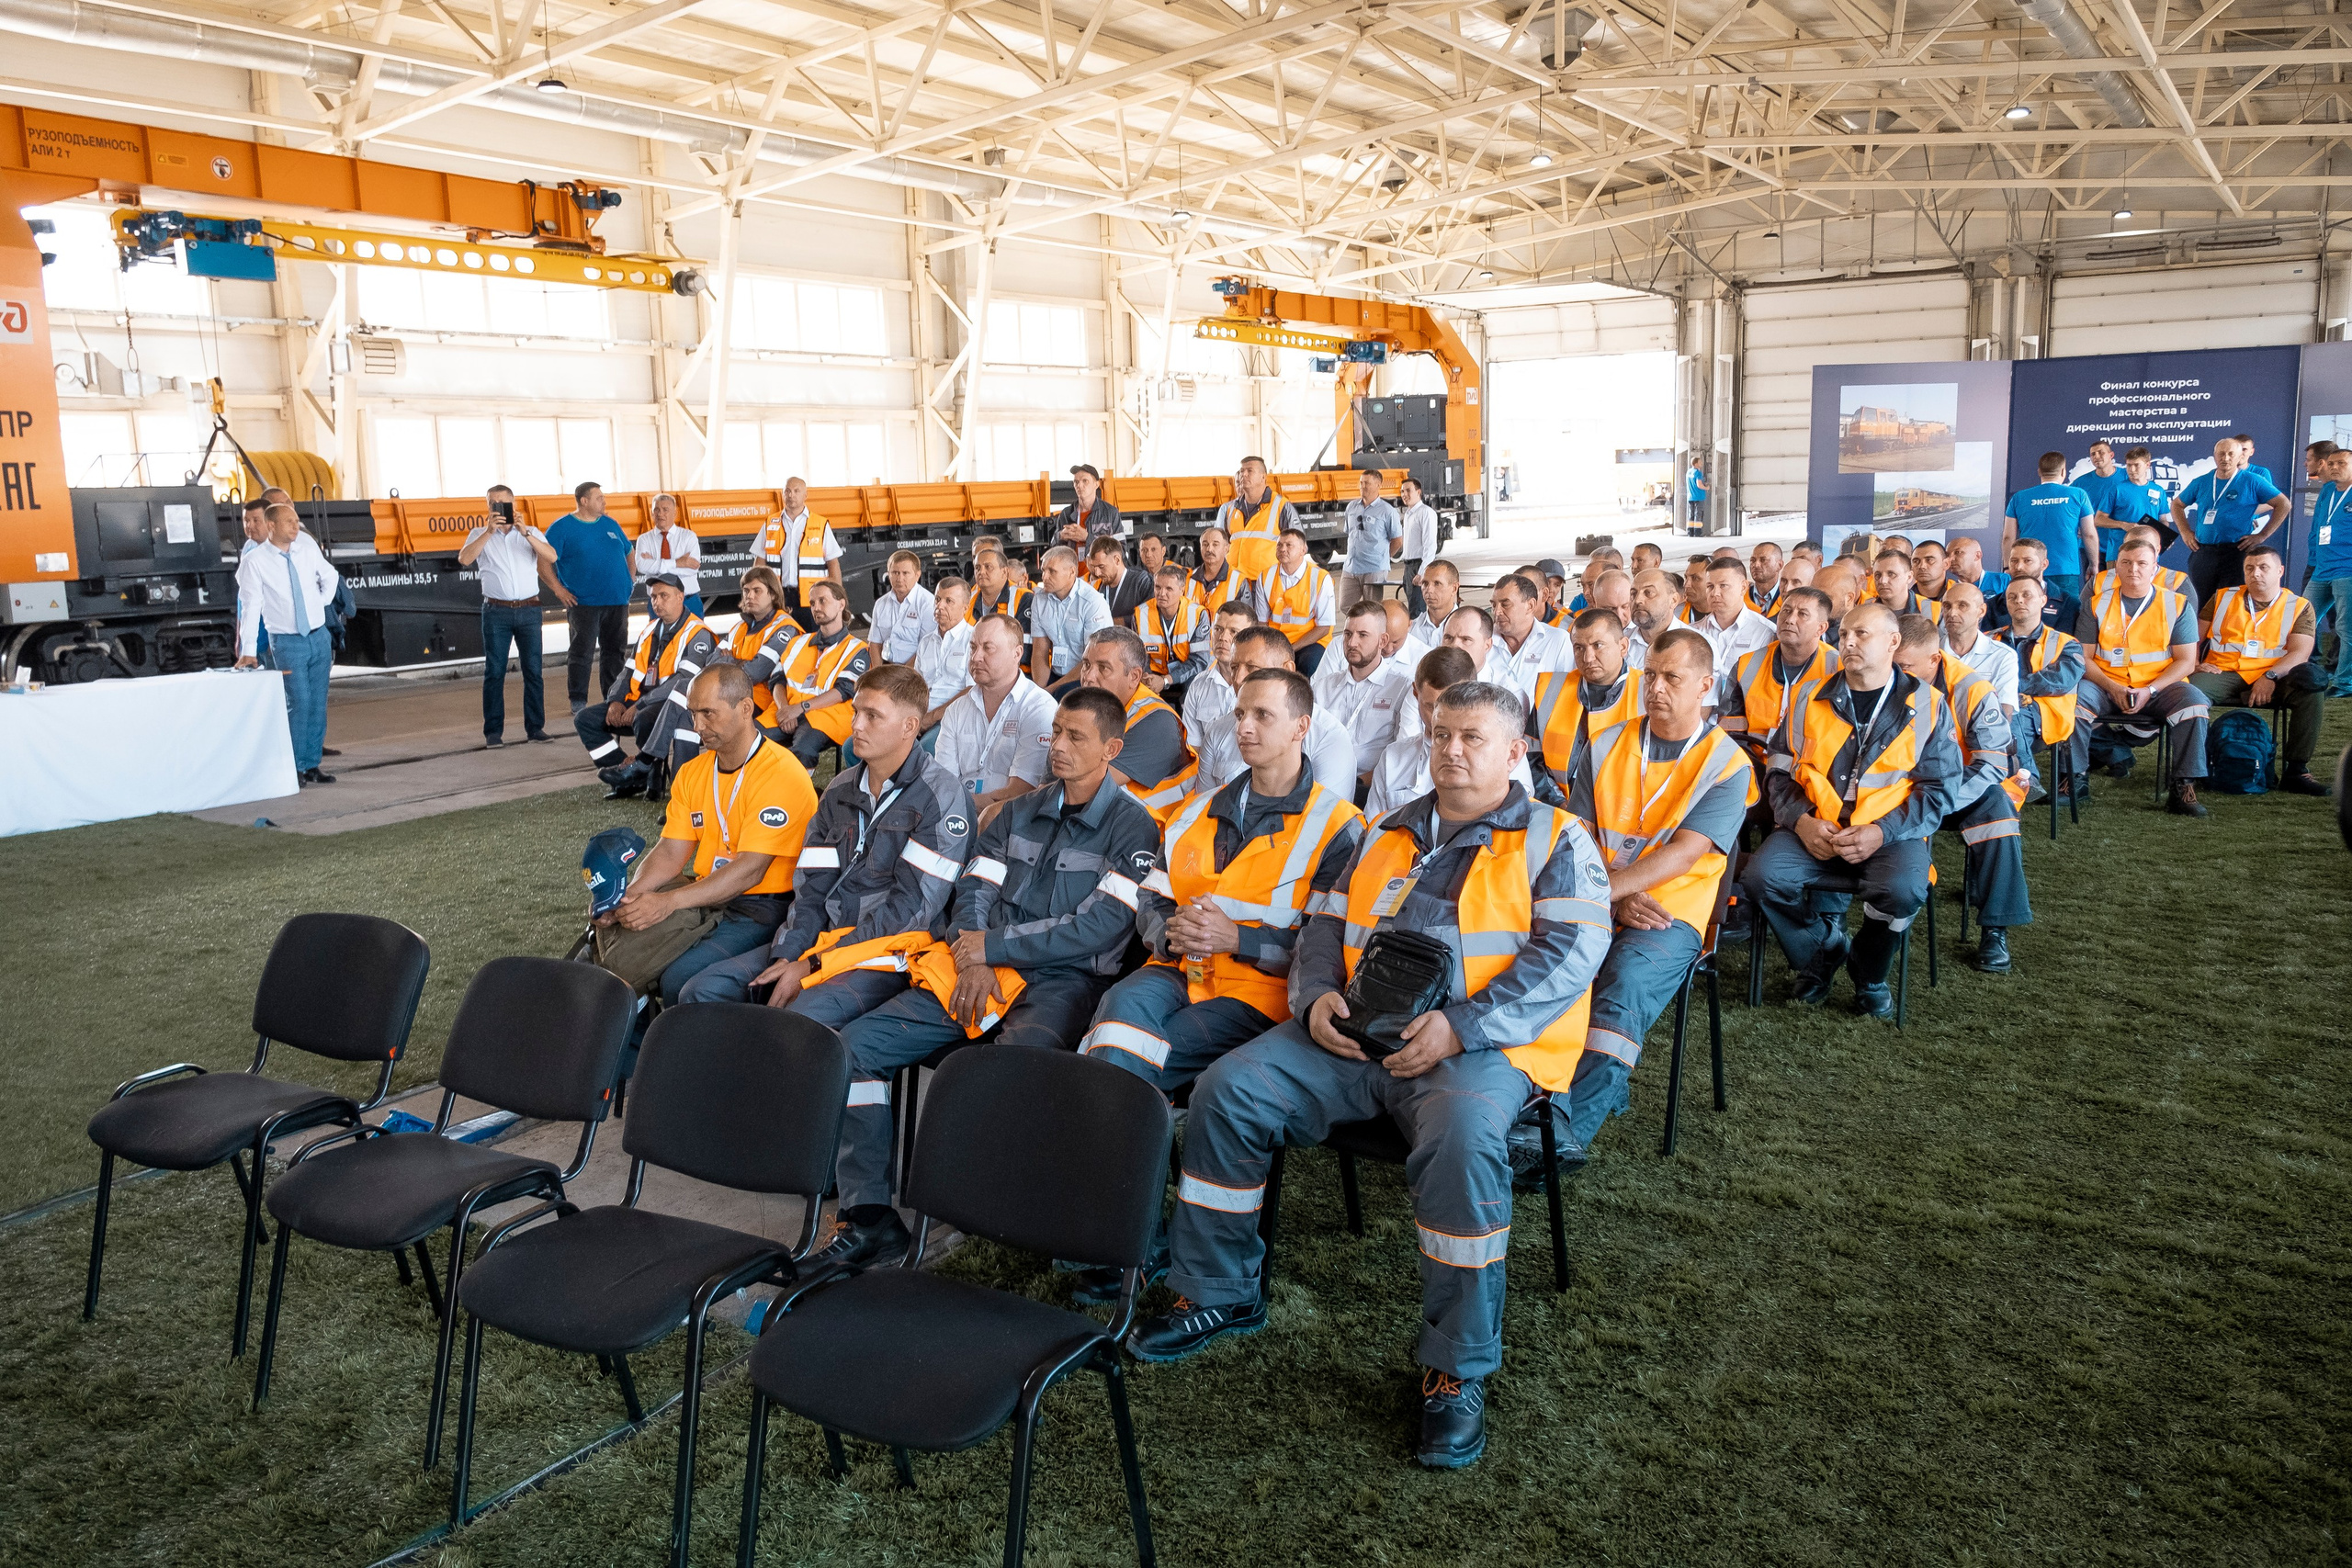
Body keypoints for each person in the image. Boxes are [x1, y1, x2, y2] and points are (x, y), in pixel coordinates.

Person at [1125, 681, 1612, 1472]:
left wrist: (1462, 1025)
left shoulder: (1557, 840)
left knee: (1462, 1144)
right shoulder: (1385, 829)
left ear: (1515, 751)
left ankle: (1455, 1369)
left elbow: (1569, 957)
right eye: (1441, 733)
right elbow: (1322, 926)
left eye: (1473, 737)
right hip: (1351, 1038)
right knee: (1228, 1089)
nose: (1451, 750)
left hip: (1477, 1052)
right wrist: (1315, 997)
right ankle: (1217, 1290)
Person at [811, 688, 1163, 1269]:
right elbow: (973, 889)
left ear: (1112, 749)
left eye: (1076, 737)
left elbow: (1099, 925)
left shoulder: (1134, 828)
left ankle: (1003, 1210)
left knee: (1010, 1073)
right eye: (1056, 732)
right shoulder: (1019, 811)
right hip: (976, 967)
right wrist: (976, 958)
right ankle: (869, 1216)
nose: (1059, 746)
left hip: (1062, 982)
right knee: (856, 1048)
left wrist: (994, 948)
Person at [1077, 669, 1365, 1221]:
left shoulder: (1340, 827)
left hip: (1261, 995)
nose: (1244, 727)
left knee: (1120, 1063)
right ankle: (1118, 1227)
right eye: (1240, 714)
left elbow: (1329, 946)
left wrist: (1239, 938)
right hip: (1177, 968)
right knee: (1114, 1032)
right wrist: (1170, 932)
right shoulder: (1196, 809)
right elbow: (1152, 897)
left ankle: (1109, 1229)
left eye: (1262, 715)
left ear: (1301, 727)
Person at [1563, 626, 1754, 1149]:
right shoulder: (1606, 742)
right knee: (1545, 965)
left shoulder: (1727, 764)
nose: (1656, 687)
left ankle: (1564, 1136)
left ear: (1706, 686)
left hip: (1671, 914)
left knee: (1622, 986)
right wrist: (1614, 897)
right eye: (1649, 675)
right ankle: (1539, 1098)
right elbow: (1578, 835)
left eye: (1672, 677)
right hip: (1604, 895)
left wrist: (1608, 895)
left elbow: (1685, 852)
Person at [680, 664, 968, 1010]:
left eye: (872, 716)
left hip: (889, 951)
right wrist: (789, 954)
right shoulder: (839, 789)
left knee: (799, 1015)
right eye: (856, 712)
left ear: (909, 726)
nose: (856, 725)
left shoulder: (941, 796)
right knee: (702, 991)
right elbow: (812, 888)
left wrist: (817, 963)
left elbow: (909, 911)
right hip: (821, 940)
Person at [1741, 601, 1961, 1019]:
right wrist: (1802, 822)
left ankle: (1869, 973)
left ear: (1893, 642)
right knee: (1761, 877)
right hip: (1815, 827)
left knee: (1902, 890)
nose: (1848, 642)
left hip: (1889, 834)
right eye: (1843, 635)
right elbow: (1778, 773)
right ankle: (1823, 950)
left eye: (1862, 634)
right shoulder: (1808, 697)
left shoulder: (1929, 705)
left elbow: (1939, 790)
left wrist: (1882, 831)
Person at [605, 662, 819, 1009]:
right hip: (708, 896)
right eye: (693, 713)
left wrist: (670, 901)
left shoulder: (781, 773)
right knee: (618, 950)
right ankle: (638, 1039)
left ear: (746, 708)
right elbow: (670, 851)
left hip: (764, 907)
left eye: (708, 713)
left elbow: (751, 870)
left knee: (677, 978)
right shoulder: (692, 772)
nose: (697, 726)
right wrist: (630, 897)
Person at [1892, 615, 2030, 974]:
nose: (1897, 673)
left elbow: (1992, 763)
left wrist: (1939, 800)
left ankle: (1995, 930)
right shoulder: (1878, 678)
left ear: (1934, 659)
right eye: (1893, 664)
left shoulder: (1972, 688)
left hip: (1955, 791)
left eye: (1905, 667)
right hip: (1890, 791)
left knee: (1998, 809)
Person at [2074, 539, 2210, 817]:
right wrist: (2112, 687)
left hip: (2160, 686)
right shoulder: (2095, 605)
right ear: (2116, 567)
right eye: (2126, 562)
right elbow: (2083, 658)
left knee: (2195, 703)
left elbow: (2186, 662)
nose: (2133, 569)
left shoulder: (2177, 604)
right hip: (2105, 684)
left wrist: (2151, 690)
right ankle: (2074, 780)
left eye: (2141, 563)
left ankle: (2183, 786)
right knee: (2074, 699)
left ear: (2154, 568)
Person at [2191, 545, 2328, 795]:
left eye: (2264, 567)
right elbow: (2192, 638)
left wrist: (2270, 676)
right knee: (2188, 693)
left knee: (2311, 690)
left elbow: (2300, 652)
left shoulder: (2299, 605)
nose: (2256, 573)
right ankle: (2195, 767)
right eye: (2249, 568)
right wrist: (2193, 663)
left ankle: (2296, 771)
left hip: (2275, 674)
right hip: (2223, 671)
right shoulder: (2222, 597)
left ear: (2280, 571)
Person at [576, 573, 713, 798]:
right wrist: (615, 701)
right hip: (637, 699)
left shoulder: (698, 633)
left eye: (664, 596)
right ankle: (628, 776)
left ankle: (647, 771)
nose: (657, 602)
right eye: (654, 597)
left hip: (669, 703)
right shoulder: (649, 630)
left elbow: (683, 680)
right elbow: (628, 671)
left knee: (644, 718)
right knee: (585, 719)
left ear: (680, 597)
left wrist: (640, 705)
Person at [233, 503, 343, 784]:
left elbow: (330, 576)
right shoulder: (255, 562)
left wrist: (320, 603)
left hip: (318, 637)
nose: (296, 526)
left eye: (296, 521)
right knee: (299, 701)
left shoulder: (306, 549)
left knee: (317, 702)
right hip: (287, 642)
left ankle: (311, 764)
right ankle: (292, 766)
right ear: (271, 526)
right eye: (289, 522)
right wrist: (248, 651)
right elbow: (251, 606)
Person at [1367, 646, 1539, 816]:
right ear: (1416, 693)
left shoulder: (1502, 756)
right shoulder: (1393, 758)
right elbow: (1374, 826)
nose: (1439, 717)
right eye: (1432, 707)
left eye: (1454, 707)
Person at [1193, 626, 1358, 796]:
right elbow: (1203, 806)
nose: (1239, 678)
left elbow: (1327, 811)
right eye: (1234, 667)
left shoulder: (1329, 738)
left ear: (1287, 670)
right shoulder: (1217, 732)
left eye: (1252, 667)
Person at [933, 613, 1057, 821]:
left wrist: (958, 803)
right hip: (954, 819)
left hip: (1010, 823)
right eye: (973, 647)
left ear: (1017, 653)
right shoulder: (956, 710)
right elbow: (943, 784)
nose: (976, 657)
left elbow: (1022, 792)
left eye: (988, 648)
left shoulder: (1039, 707)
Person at [458, 484, 555, 746]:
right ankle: (493, 732)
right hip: (496, 612)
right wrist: (489, 532)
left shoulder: (530, 532)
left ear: (514, 504)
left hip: (529, 610)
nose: (498, 508)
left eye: (503, 503)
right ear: (487, 507)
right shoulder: (479, 534)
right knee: (494, 671)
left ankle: (535, 728)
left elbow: (551, 556)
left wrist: (526, 533)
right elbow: (464, 559)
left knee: (533, 670)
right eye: (493, 503)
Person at [1075, 626, 1197, 817]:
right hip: (1116, 824)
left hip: (1159, 830)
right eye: (1086, 665)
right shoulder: (1089, 709)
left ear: (1134, 677)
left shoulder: (1157, 721)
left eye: (1103, 668)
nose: (1088, 677)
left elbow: (1082, 789)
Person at [1529, 607, 1642, 796]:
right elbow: (1531, 758)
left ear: (1623, 647)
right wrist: (1556, 801)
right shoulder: (1551, 689)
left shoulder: (1648, 692)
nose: (1588, 658)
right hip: (1555, 802)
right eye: (1579, 648)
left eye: (1598, 645)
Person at [543, 480, 636, 712]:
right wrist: (558, 589)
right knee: (581, 652)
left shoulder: (610, 524)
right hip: (583, 603)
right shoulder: (561, 528)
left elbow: (629, 551)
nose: (604, 501)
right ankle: (578, 701)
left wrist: (630, 580)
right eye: (599, 498)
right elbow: (543, 561)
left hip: (617, 600)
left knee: (615, 652)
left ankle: (612, 699)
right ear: (584, 501)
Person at [1717, 586, 1838, 762]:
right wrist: (1753, 770)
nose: (1790, 619)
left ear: (1821, 628)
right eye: (1786, 611)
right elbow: (1730, 732)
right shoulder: (1747, 665)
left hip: (1810, 770)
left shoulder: (1838, 668)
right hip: (1753, 766)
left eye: (1802, 614)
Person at [1311, 599, 1414, 795]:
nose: (1352, 643)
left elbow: (1403, 752)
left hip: (1370, 788)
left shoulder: (1401, 688)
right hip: (1322, 784)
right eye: (1348, 634)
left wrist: (1360, 782)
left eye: (1363, 635)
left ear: (1382, 641)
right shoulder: (1323, 688)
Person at [2000, 576, 2087, 806]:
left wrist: (2008, 688)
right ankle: (2016, 784)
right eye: (2012, 597)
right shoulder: (1990, 639)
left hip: (2048, 718)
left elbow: (2059, 681)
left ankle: (2024, 779)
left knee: (2008, 714)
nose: (2019, 600)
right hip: (2001, 711)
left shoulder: (2067, 643)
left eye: (2026, 595)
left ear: (2043, 600)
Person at [2173, 436, 2289, 604]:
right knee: (2200, 603)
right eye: (2221, 454)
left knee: (2233, 603)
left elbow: (2284, 504)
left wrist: (2262, 535)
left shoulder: (2252, 480)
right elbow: (2177, 504)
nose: (2225, 458)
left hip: (2237, 552)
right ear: (2214, 456)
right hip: (2204, 552)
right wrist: (2185, 532)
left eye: (2230, 454)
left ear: (2240, 457)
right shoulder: (2201, 482)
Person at [772, 580, 873, 769]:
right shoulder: (798, 642)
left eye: (822, 601)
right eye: (812, 603)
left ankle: (799, 788)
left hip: (828, 716)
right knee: (752, 740)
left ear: (841, 604)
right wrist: (785, 709)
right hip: (788, 710)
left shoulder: (858, 649)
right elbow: (778, 679)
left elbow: (844, 690)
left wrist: (800, 708)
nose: (816, 608)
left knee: (802, 749)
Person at [2004, 451, 2099, 598]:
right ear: (2063, 471)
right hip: (2065, 569)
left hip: (2028, 567)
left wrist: (2007, 566)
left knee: (2027, 608)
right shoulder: (2079, 495)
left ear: (2039, 472)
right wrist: (2094, 564)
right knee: (2066, 610)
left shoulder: (2019, 498)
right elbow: (2089, 534)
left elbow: (2008, 537)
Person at [754, 476, 845, 631]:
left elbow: (833, 563)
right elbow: (759, 562)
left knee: (812, 639)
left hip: (812, 599)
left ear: (805, 495)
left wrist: (837, 598)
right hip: (778, 596)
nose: (791, 495)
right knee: (779, 639)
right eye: (787, 491)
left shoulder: (820, 524)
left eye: (796, 491)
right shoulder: (770, 523)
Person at [1249, 526, 1337, 676]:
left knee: (1309, 666)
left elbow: (1324, 628)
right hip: (1276, 641)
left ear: (1303, 550)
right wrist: (1274, 648)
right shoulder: (1265, 576)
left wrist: (1291, 648)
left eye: (1289, 545)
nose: (1283, 549)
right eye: (1279, 545)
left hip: (1310, 642)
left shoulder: (1321, 578)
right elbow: (1262, 622)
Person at [1029, 544, 1113, 690]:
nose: (1044, 577)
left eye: (1052, 571)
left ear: (1072, 572)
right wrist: (1040, 692)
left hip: (1087, 677)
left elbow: (1093, 660)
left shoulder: (1092, 602)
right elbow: (1039, 652)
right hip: (1056, 675)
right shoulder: (1039, 600)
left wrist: (1053, 689)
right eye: (1043, 570)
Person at [727, 566, 797, 730]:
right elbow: (711, 662)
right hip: (732, 692)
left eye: (757, 591)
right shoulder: (739, 626)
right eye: (746, 591)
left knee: (716, 718)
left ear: (773, 594)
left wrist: (729, 659)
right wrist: (742, 663)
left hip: (764, 701)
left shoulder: (785, 628)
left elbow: (755, 673)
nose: (749, 596)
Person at [1487, 572, 1571, 705]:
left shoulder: (1558, 641)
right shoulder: (1482, 641)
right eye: (1494, 605)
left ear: (1530, 605)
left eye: (1505, 604)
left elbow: (1568, 694)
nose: (1497, 612)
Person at [2308, 446, 2352, 698]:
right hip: (2322, 569)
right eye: (2331, 463)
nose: (2334, 467)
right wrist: (2314, 560)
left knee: (2346, 628)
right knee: (2300, 618)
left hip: (2348, 570)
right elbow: (2318, 527)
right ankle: (2295, 672)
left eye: (2341, 463)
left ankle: (2344, 683)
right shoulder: (2327, 490)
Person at [1938, 580, 2017, 715]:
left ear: (1982, 610)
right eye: (1947, 606)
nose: (1952, 613)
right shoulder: (1931, 653)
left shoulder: (2003, 656)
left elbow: (2004, 714)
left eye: (1962, 605)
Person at [1184, 601, 1258, 743]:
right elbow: (1193, 746)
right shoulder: (1198, 686)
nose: (1223, 637)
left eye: (1233, 632)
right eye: (1218, 629)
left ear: (1252, 640)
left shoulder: (1265, 686)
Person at [1136, 564, 1209, 709]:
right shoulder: (1140, 614)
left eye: (1169, 589)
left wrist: (1165, 680)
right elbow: (1139, 657)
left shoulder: (1198, 614)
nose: (1161, 593)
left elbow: (1199, 661)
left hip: (1188, 673)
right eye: (1158, 587)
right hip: (1153, 673)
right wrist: (1148, 678)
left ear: (1182, 590)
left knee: (1195, 690)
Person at [911, 577, 974, 739]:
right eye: (937, 599)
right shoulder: (926, 642)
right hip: (920, 714)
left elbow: (973, 691)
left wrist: (931, 717)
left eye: (949, 601)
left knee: (925, 748)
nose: (939, 606)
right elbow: (915, 684)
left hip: (953, 717)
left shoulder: (973, 640)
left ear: (965, 608)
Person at [1216, 456, 1295, 582]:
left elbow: (1296, 548)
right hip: (1234, 582)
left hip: (1266, 583)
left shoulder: (1281, 507)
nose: (1244, 475)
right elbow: (1219, 547)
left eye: (1250, 471)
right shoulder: (1230, 509)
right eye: (1242, 471)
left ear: (1263, 477)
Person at [1694, 558, 1775, 680]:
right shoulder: (1693, 632)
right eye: (1710, 586)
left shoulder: (1766, 632)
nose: (1715, 593)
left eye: (1723, 586)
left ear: (1743, 587)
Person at [2095, 446, 2171, 565]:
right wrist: (2123, 525)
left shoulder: (2158, 490)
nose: (2132, 469)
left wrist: (2164, 535)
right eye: (2129, 465)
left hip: (2148, 556)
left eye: (2136, 465)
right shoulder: (2116, 489)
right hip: (2119, 554)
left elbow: (2163, 519)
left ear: (2147, 465)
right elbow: (2098, 519)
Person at [1339, 469, 1402, 610]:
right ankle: (1360, 622)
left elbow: (1397, 540)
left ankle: (1368, 624)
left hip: (1374, 569)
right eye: (1361, 483)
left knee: (1372, 609)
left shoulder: (1387, 511)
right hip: (1351, 567)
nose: (1362, 486)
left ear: (1378, 485)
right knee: (1345, 606)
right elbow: (1350, 533)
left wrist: (1383, 558)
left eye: (1367, 483)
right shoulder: (1351, 507)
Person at [630, 492, 704, 616]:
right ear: (652, 513)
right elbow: (642, 566)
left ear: (675, 513)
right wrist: (678, 563)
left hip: (688, 601)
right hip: (658, 603)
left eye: (665, 510)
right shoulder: (644, 539)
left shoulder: (689, 537)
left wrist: (656, 565)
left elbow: (692, 568)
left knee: (695, 630)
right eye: (656, 510)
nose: (660, 514)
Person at [1987, 537, 2077, 635]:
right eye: (2014, 561)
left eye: (2027, 561)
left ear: (2044, 565)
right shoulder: (1992, 606)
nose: (2019, 567)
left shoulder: (2069, 604)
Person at [867, 550, 936, 666]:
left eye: (905, 573)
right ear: (888, 574)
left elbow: (927, 648)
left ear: (917, 575)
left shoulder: (927, 603)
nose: (899, 578)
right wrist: (878, 673)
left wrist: (903, 674)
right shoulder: (881, 604)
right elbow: (875, 643)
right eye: (895, 573)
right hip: (887, 667)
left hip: (916, 669)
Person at [1396, 476, 1439, 617]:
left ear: (1418, 492)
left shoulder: (1426, 513)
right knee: (1412, 607)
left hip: (1418, 566)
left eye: (1408, 490)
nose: (1404, 494)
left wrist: (1422, 572)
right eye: (1402, 491)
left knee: (1417, 611)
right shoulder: (1408, 514)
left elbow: (1430, 545)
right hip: (1408, 566)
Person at [1054, 462, 1121, 547]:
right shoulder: (1066, 514)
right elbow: (1053, 547)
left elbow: (1121, 548)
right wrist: (1060, 536)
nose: (1079, 485)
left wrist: (1087, 538)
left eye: (1085, 481)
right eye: (1076, 482)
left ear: (1096, 484)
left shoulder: (1110, 513)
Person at [1627, 570, 1683, 671]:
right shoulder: (1619, 644)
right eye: (1633, 594)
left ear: (1673, 600)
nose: (1637, 600)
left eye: (1648, 593)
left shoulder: (1699, 646)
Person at [1091, 536, 1155, 622]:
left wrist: (1109, 623)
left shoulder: (1142, 582)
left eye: (1101, 566)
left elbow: (1150, 616)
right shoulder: (1096, 587)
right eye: (1094, 567)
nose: (1097, 573)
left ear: (1117, 560)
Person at [1405, 558, 1463, 653]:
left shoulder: (1469, 630)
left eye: (1437, 584)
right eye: (1425, 583)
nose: (1429, 590)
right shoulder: (1411, 631)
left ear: (1454, 588)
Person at [1440, 604, 1507, 686]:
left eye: (1466, 639)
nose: (1454, 645)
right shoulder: (1428, 681)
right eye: (1449, 638)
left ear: (1487, 645)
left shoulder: (1507, 690)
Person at [1871, 547, 1939, 624]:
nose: (1883, 581)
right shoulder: (1865, 611)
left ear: (1909, 577)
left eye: (1891, 574)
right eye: (1878, 575)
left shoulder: (1934, 611)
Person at [967, 548, 1031, 630]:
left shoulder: (1024, 598)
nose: (981, 572)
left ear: (1004, 572)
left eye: (988, 567)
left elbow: (1025, 637)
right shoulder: (967, 600)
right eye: (977, 568)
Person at [1188, 525, 1240, 619]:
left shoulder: (1238, 581)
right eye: (1205, 544)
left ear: (1226, 549)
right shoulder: (1188, 579)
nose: (1209, 549)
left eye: (1215, 545)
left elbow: (1245, 622)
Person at [1746, 542, 1786, 616]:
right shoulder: (1741, 597)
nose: (1756, 565)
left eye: (1763, 560)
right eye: (1753, 560)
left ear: (1779, 565)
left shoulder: (1787, 598)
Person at [1686, 457, 1708, 530]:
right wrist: (1706, 488)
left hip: (1690, 497)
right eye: (1700, 462)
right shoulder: (1698, 473)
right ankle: (1697, 532)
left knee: (1691, 515)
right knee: (1698, 515)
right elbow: (1699, 485)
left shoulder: (1689, 472)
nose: (1701, 463)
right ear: (1695, 464)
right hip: (1699, 497)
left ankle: (1690, 531)